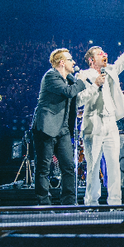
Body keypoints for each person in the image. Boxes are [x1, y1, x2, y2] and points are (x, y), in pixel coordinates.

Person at [77, 23, 124, 206]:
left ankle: (115, 204)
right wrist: (95, 85)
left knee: (114, 166)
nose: (104, 55)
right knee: (93, 166)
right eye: (100, 54)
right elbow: (79, 101)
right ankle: (91, 204)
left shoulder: (111, 71)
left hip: (111, 123)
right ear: (92, 60)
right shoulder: (83, 75)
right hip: (93, 124)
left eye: (104, 53)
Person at [31, 48, 87, 205]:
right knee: (44, 168)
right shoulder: (51, 76)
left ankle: (69, 203)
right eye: (70, 59)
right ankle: (44, 204)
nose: (74, 62)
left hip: (62, 129)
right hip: (46, 127)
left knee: (68, 166)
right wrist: (81, 80)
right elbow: (69, 92)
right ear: (62, 62)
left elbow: (77, 90)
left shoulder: (68, 78)